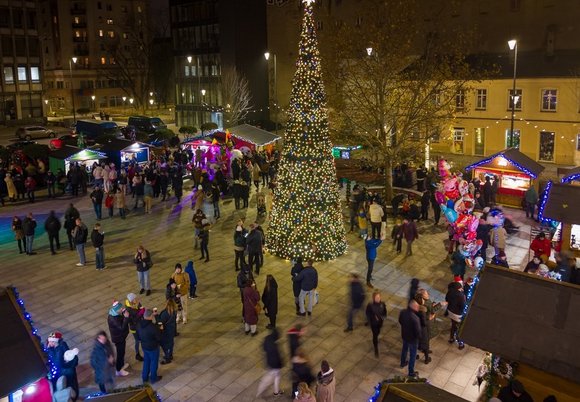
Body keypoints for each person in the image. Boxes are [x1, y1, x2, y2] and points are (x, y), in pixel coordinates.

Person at [46, 332, 79, 398]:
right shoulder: (51, 348)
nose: (50, 343)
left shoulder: (62, 345)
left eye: (52, 341)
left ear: (56, 341)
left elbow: (60, 360)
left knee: (70, 384)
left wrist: (67, 362)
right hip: (60, 371)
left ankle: (74, 396)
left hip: (66, 371)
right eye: (49, 341)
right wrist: (50, 349)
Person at [256, 328, 285, 398]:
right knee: (275, 377)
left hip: (268, 362)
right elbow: (278, 357)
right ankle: (274, 392)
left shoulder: (267, 338)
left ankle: (275, 391)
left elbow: (263, 348)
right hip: (275, 365)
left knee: (272, 376)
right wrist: (281, 364)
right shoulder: (275, 345)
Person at [137, 309, 163, 384]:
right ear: (151, 316)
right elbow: (159, 338)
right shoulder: (153, 327)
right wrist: (161, 330)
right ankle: (153, 378)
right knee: (154, 362)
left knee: (146, 361)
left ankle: (144, 377)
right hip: (153, 347)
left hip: (144, 346)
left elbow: (137, 336)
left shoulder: (139, 324)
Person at [398, 299, 422, 377]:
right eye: (417, 306)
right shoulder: (415, 318)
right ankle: (411, 372)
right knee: (413, 355)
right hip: (413, 339)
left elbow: (400, 321)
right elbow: (418, 332)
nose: (418, 308)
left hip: (404, 335)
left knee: (404, 349)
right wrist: (419, 339)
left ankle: (402, 362)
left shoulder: (403, 312)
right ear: (413, 307)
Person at [106, 301, 130, 377]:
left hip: (121, 337)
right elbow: (121, 328)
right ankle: (119, 370)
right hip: (119, 338)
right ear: (117, 310)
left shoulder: (115, 313)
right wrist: (126, 317)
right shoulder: (113, 318)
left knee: (122, 352)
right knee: (120, 353)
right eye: (121, 308)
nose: (122, 309)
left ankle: (121, 365)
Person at [365, 290, 387, 357]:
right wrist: (371, 319)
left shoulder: (382, 304)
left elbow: (385, 313)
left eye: (379, 297)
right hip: (373, 323)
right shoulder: (370, 305)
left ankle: (376, 338)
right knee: (375, 335)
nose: (378, 299)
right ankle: (376, 348)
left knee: (378, 332)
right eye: (376, 297)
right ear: (373, 298)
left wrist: (382, 318)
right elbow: (367, 313)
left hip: (380, 323)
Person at [445, 281, 466, 349]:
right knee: (458, 329)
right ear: (457, 288)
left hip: (450, 312)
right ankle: (460, 343)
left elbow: (446, 300)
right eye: (460, 288)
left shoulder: (450, 292)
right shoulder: (461, 296)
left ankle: (451, 338)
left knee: (453, 325)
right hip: (457, 314)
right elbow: (463, 306)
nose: (461, 289)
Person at [125, 293, 144, 361]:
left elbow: (140, 309)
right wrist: (141, 312)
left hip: (139, 325)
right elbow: (133, 319)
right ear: (132, 300)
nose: (137, 299)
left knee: (141, 339)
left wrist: (141, 309)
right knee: (137, 340)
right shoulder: (129, 309)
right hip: (134, 327)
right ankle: (137, 354)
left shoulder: (136, 303)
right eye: (135, 299)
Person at [158, 299, 178, 365]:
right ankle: (170, 355)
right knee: (170, 343)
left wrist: (156, 316)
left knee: (164, 345)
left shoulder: (165, 313)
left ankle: (167, 358)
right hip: (171, 330)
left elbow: (160, 322)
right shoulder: (174, 311)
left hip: (165, 331)